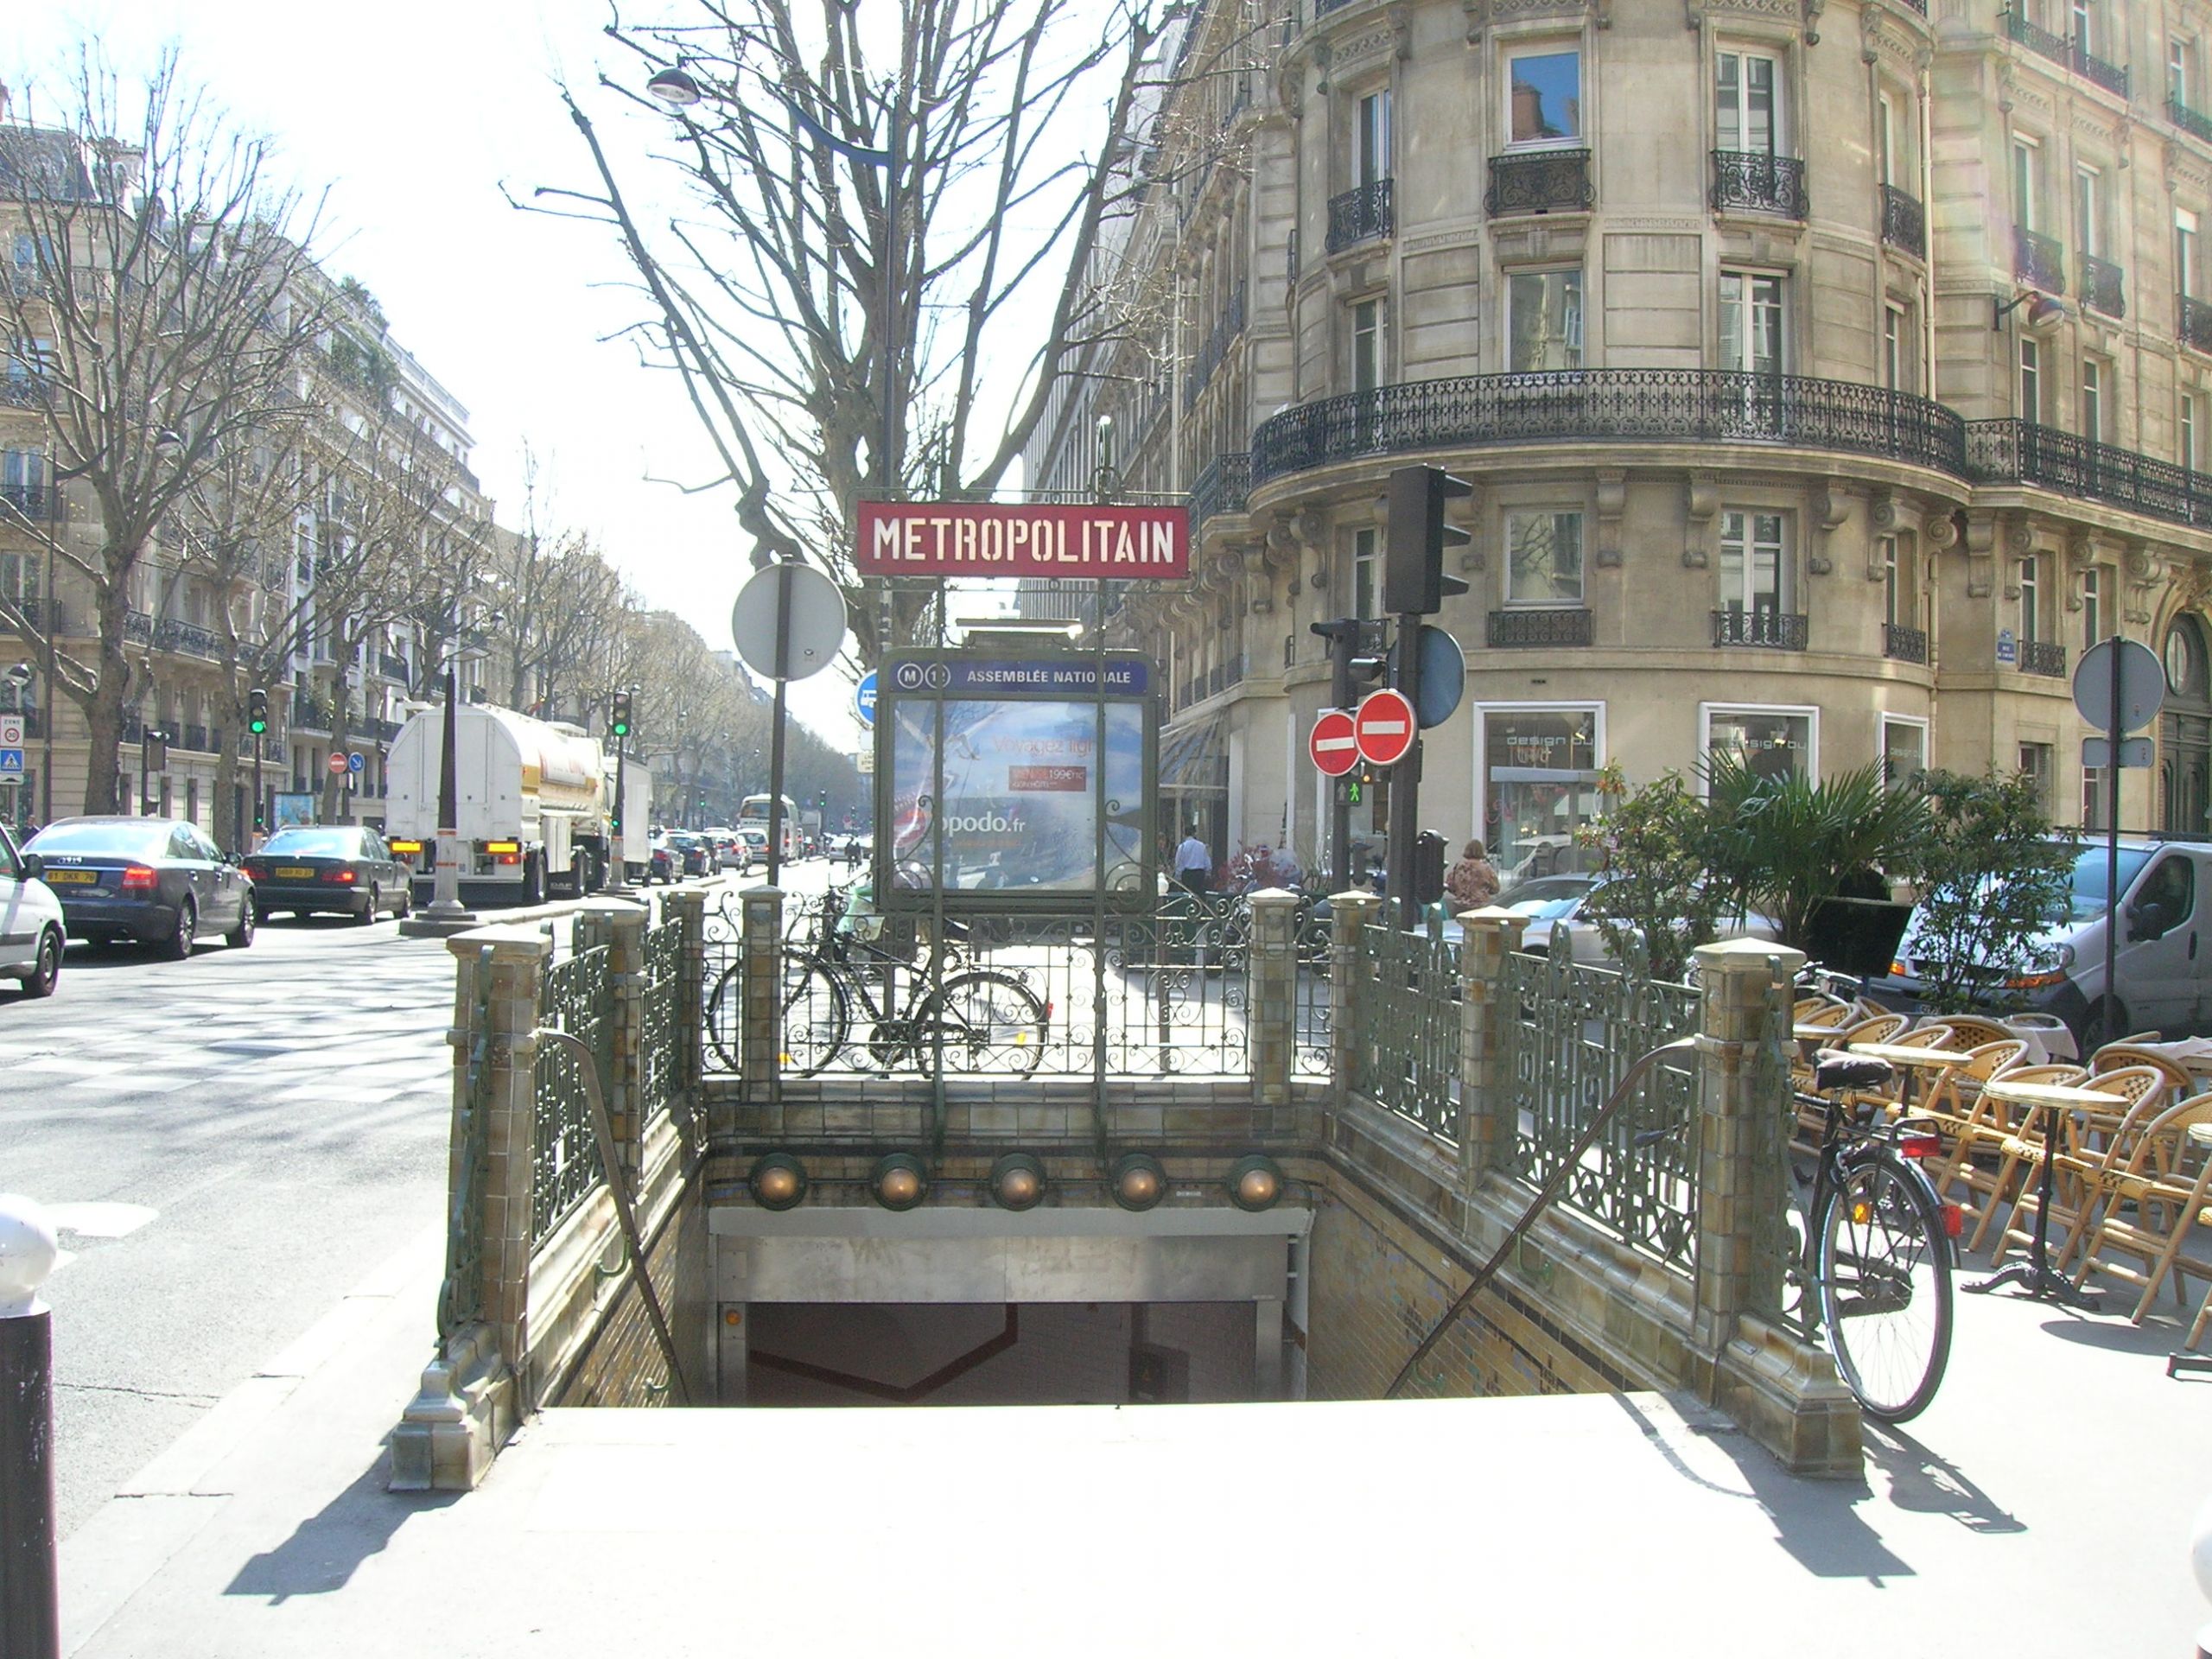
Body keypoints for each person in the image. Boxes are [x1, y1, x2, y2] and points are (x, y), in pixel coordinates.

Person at [1444, 837, 1501, 912]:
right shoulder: (1486, 868)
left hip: (1460, 906)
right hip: (1480, 907)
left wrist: (1460, 893)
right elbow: (1496, 888)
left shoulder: (1459, 867)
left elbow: (1449, 885)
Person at [1173, 826, 1211, 893]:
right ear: (1194, 834)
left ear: (1184, 834)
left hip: (1187, 875)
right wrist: (1208, 873)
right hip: (1199, 874)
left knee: (1187, 895)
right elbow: (1207, 862)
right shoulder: (1202, 846)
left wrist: (1178, 876)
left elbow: (1179, 863)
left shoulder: (1182, 847)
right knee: (1199, 896)